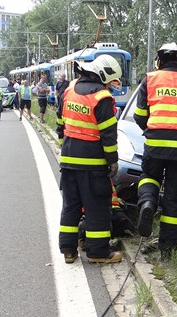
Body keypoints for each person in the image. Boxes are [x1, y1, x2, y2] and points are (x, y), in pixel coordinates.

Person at [133, 42, 177, 260]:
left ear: (159, 61)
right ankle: (167, 250)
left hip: (155, 144)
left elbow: (138, 114)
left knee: (149, 177)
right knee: (175, 196)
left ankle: (147, 203)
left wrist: (152, 130)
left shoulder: (150, 79)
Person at [56, 54, 123, 264]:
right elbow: (108, 135)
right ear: (104, 75)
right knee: (97, 207)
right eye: (111, 82)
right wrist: (112, 161)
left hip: (68, 160)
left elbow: (60, 122)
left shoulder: (70, 89)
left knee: (71, 205)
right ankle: (98, 252)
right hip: (93, 165)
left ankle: (68, 250)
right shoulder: (102, 97)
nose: (111, 87)